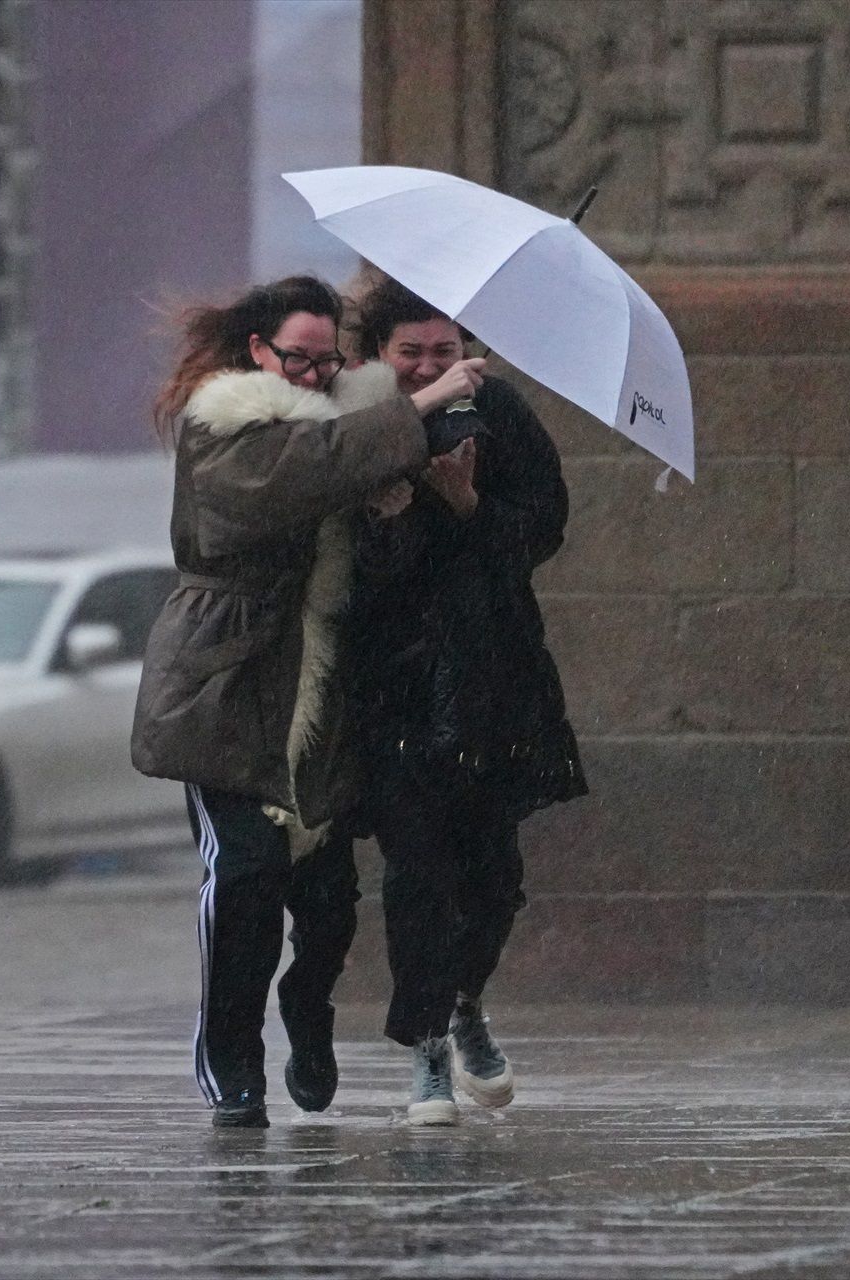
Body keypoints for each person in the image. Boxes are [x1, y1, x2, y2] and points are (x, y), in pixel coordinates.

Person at [131, 274, 479, 1128]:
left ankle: (308, 1008)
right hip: (229, 684)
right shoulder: (225, 423)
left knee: (326, 902)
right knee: (245, 876)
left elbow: (376, 548)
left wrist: (397, 507)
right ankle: (232, 1062)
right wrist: (420, 404)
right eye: (299, 359)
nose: (316, 375)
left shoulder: (352, 430)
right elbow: (291, 477)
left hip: (323, 691)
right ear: (259, 351)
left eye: (328, 362)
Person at [339, 275, 586, 1125]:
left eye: (443, 350)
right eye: (410, 352)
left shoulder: (501, 414)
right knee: (419, 873)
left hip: (492, 678)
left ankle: (464, 1002)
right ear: (380, 354)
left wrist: (470, 504)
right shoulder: (359, 425)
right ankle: (427, 1050)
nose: (427, 365)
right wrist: (392, 511)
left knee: (494, 877)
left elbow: (543, 528)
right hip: (395, 688)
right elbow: (348, 565)